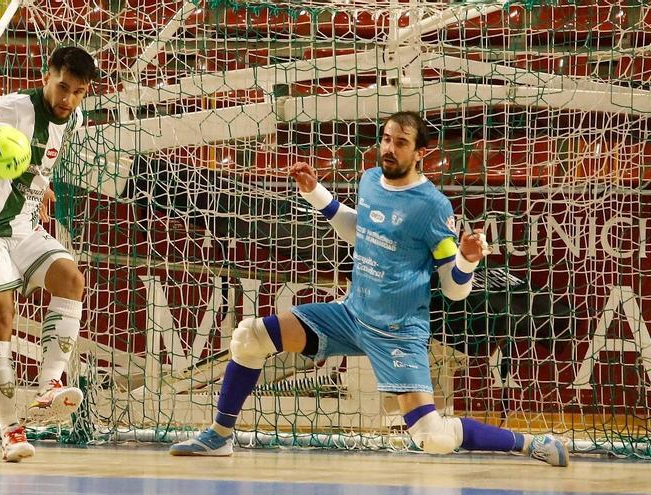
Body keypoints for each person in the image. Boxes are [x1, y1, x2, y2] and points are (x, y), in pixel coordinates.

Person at [169, 111, 569, 467]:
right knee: (250, 336)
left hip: (397, 332)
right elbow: (361, 231)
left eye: (401, 142)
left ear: (420, 154)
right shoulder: (371, 180)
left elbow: (454, 291)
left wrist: (466, 260)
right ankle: (219, 437)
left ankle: (530, 442)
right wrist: (315, 193)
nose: (389, 149)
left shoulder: (434, 207)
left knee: (434, 438)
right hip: (351, 315)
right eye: (386, 138)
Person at [0, 46, 97, 462]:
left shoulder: (73, 119)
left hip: (22, 227)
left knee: (71, 279)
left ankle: (50, 384)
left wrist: (40, 183)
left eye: (77, 92)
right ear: (47, 77)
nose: (67, 99)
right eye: (62, 87)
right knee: (1, 317)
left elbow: (36, 161)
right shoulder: (14, 108)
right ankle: (10, 429)